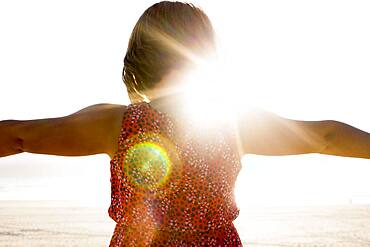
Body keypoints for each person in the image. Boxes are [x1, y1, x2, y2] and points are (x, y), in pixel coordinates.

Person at [0, 1, 369, 246]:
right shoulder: (231, 123)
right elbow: (327, 137)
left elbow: (16, 136)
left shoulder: (116, 123)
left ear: (139, 57)